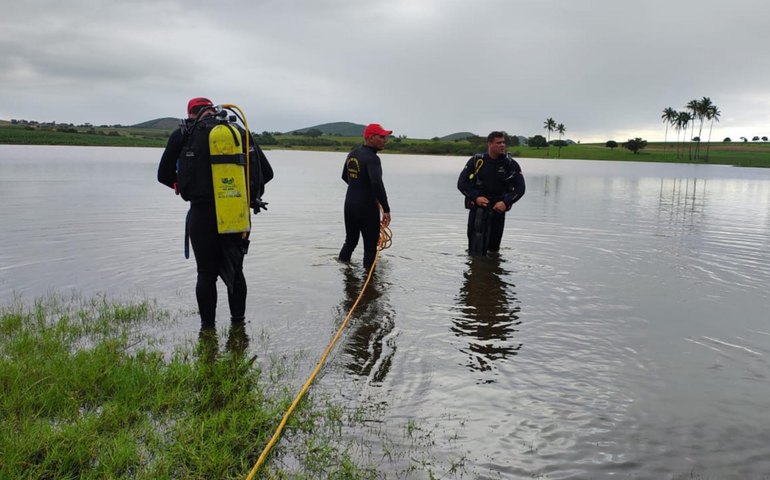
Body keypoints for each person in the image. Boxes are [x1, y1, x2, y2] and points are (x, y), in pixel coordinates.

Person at [158, 97, 273, 326]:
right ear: (213, 110)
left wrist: (179, 183)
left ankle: (208, 331)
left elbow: (163, 175)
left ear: (191, 113)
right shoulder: (237, 131)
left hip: (201, 214)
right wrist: (245, 193)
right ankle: (238, 326)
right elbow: (266, 172)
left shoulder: (184, 133)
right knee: (236, 272)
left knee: (206, 273)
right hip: (235, 212)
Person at [457, 131, 525, 255]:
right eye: (499, 143)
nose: (502, 145)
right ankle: (480, 270)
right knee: (475, 250)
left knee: (493, 250)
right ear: (490, 144)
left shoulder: (510, 164)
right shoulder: (477, 161)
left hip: (498, 209)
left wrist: (506, 202)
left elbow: (521, 188)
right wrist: (476, 197)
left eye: (503, 142)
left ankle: (492, 267)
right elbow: (461, 184)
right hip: (478, 209)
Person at [338, 123, 392, 271]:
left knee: (350, 242)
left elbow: (345, 177)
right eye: (381, 137)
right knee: (370, 248)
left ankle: (344, 273)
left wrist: (358, 187)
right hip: (366, 207)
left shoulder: (353, 154)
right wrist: (386, 209)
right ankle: (370, 286)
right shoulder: (373, 158)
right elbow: (376, 183)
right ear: (371, 137)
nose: (385, 140)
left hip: (350, 204)